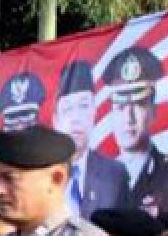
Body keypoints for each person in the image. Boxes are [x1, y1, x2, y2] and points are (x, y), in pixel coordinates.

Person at [102, 45, 168, 216]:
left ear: (154, 111)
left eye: (139, 105)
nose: (129, 117)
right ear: (111, 114)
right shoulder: (98, 179)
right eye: (120, 107)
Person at [54, 60, 129, 218]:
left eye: (83, 106)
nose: (76, 118)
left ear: (95, 112)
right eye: (67, 108)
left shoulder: (114, 174)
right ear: (56, 120)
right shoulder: (42, 174)